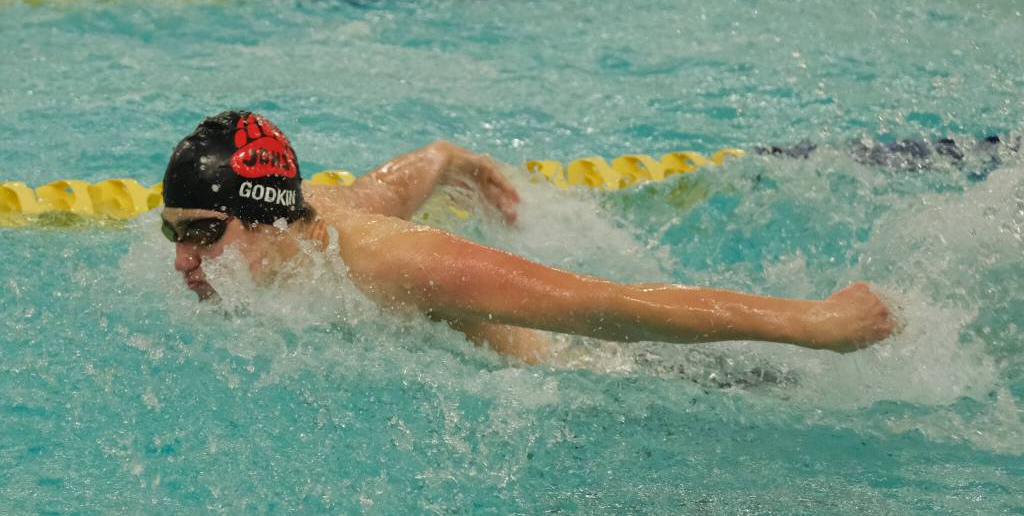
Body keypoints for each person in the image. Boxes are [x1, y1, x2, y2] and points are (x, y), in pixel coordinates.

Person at [161, 111, 896, 364]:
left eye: (203, 233)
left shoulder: (395, 263)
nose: (184, 259)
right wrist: (446, 160)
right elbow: (382, 189)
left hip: (600, 372)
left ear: (265, 217)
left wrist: (812, 322)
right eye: (174, 234)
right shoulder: (310, 212)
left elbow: (608, 305)